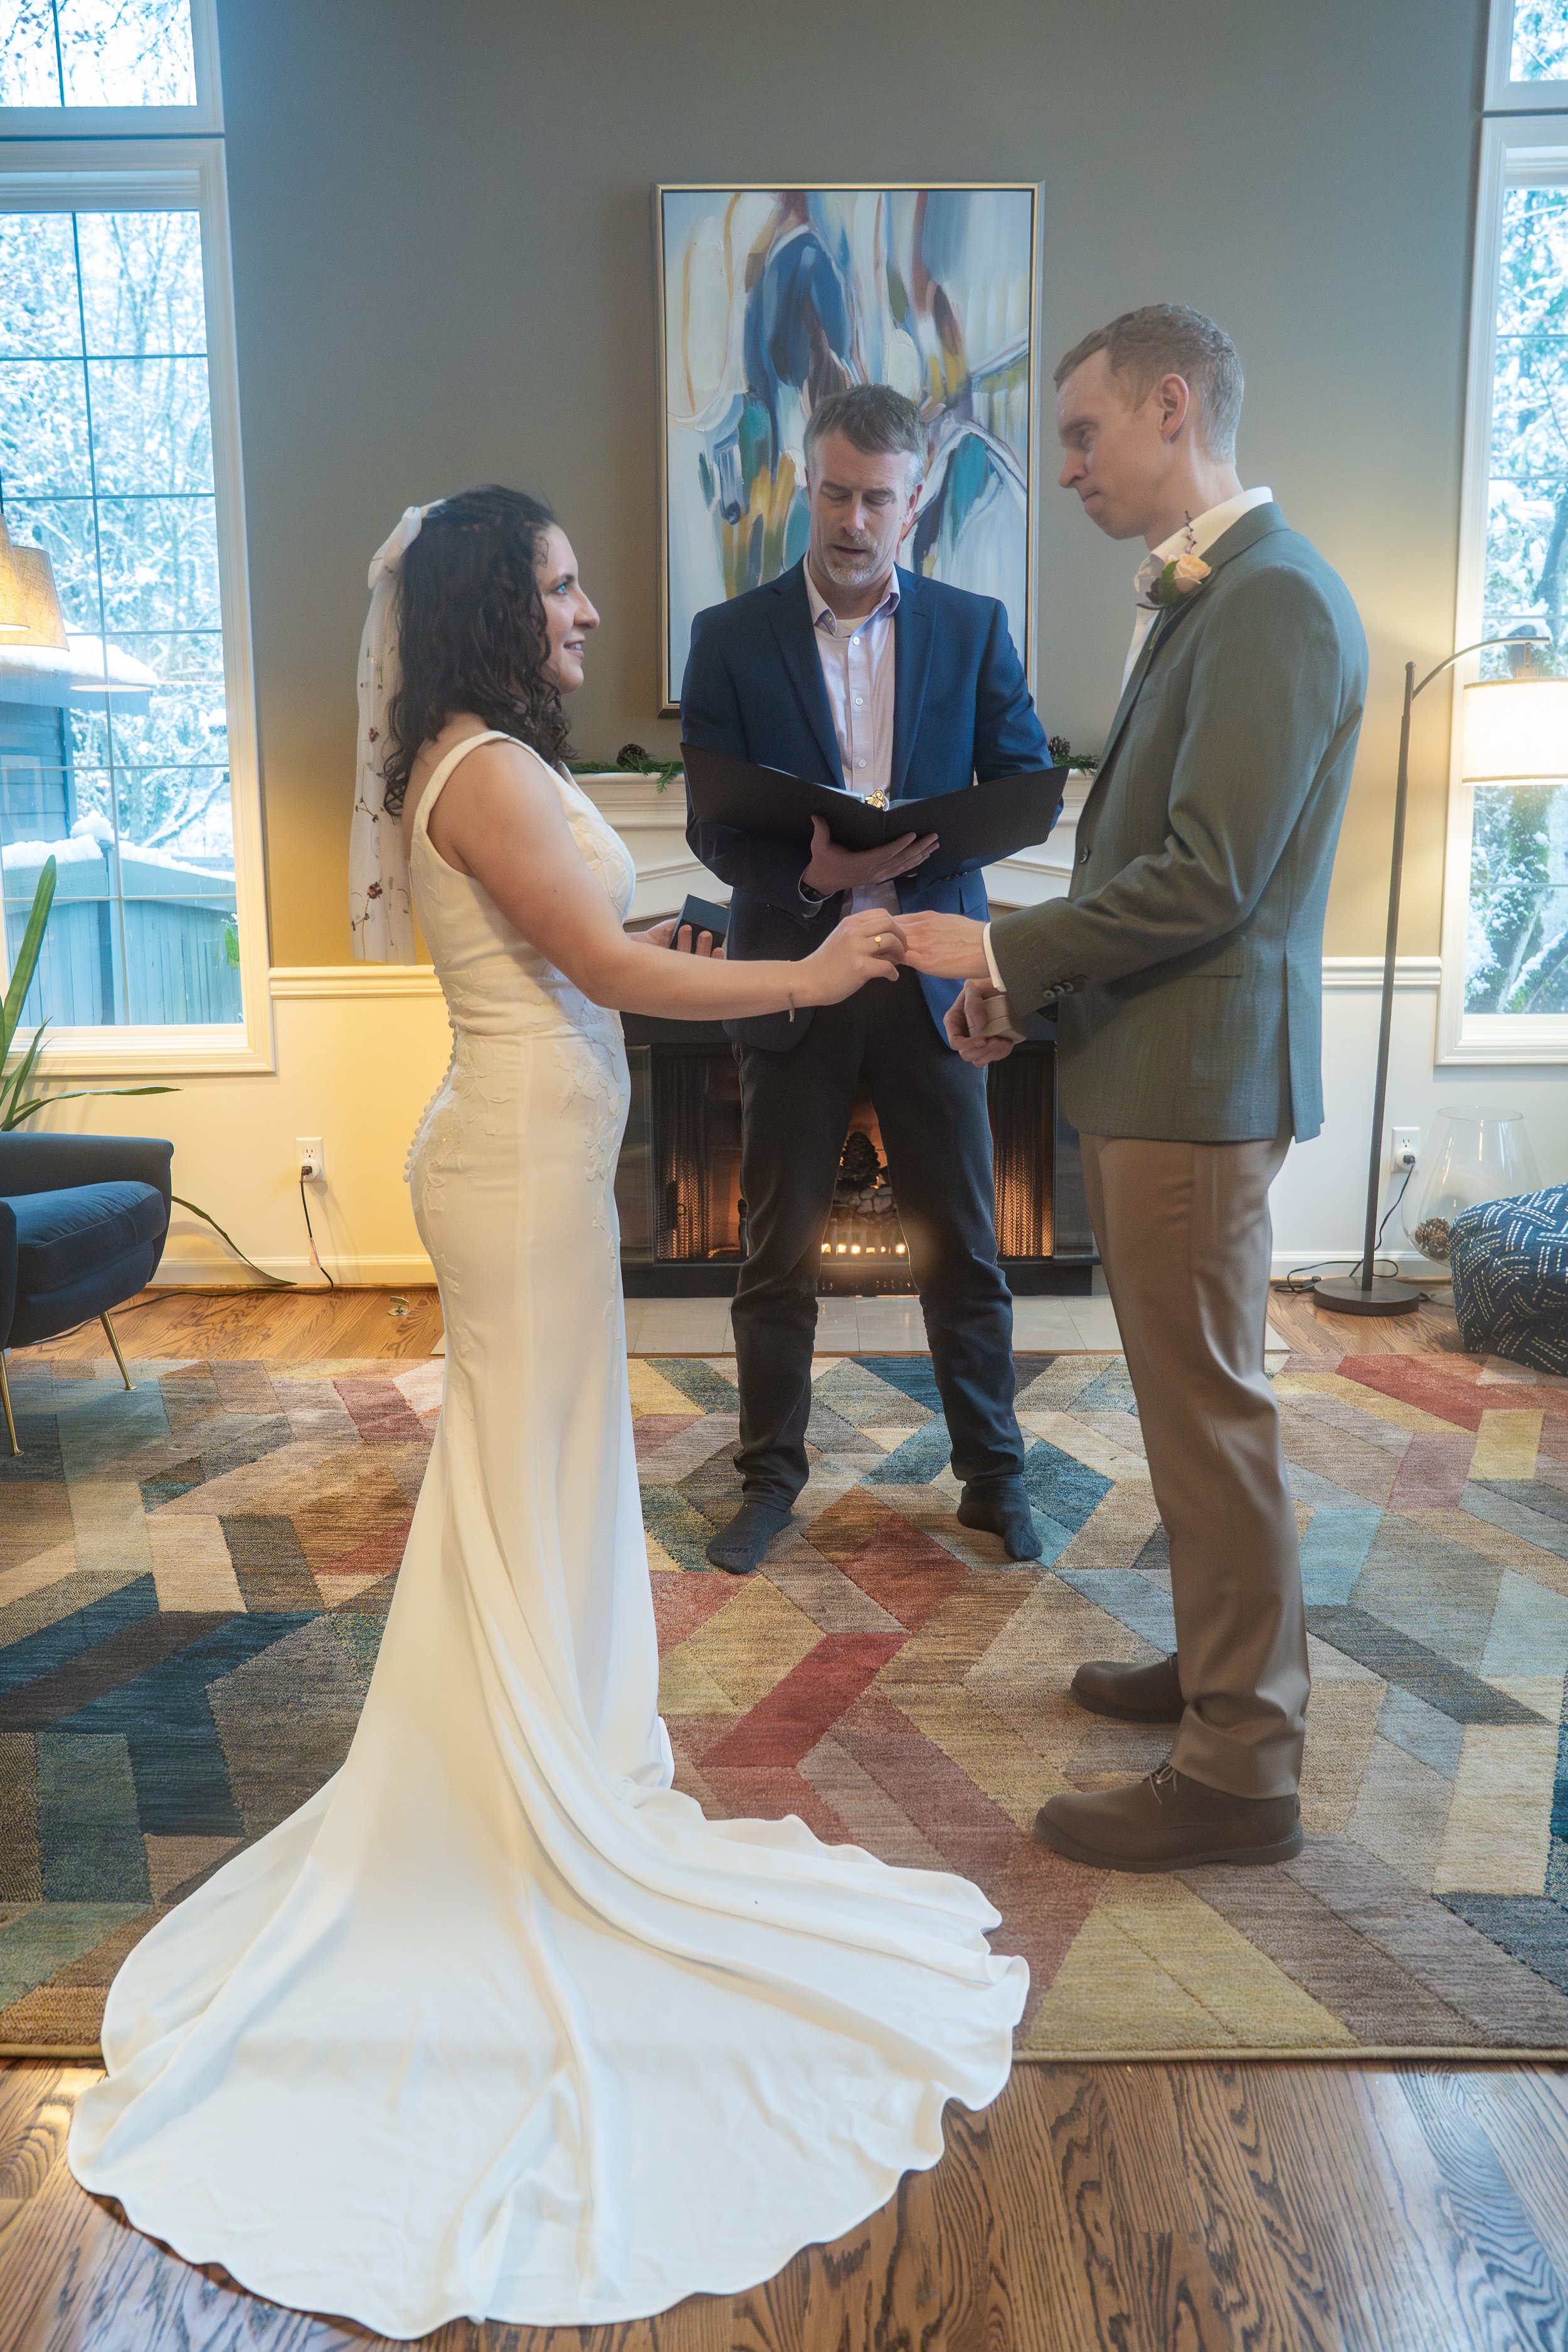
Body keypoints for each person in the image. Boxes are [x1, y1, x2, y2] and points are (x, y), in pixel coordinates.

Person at [67, 487, 1026, 2334]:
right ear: (493, 602)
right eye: (564, 585)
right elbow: (601, 974)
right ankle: (517, 1803)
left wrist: (683, 920)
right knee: (527, 1480)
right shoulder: (485, 764)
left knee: (542, 1486)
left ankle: (558, 1761)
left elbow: (586, 931)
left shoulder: (478, 756)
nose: (591, 612)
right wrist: (812, 966)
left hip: (528, 1154)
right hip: (511, 1163)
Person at [898, 307, 1368, 1874]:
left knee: (1211, 1411)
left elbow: (1204, 882)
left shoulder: (1275, 603)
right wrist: (1020, 1003)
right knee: (1186, 1402)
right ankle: (1214, 1666)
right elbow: (1154, 873)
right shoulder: (1207, 599)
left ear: (1174, 408)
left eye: (1086, 432)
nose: (1069, 466)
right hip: (1155, 1058)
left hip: (1199, 1077)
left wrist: (1001, 945)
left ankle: (1241, 1767)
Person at [682, 383, 1054, 1576]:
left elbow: (1023, 782)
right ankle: (767, 1485)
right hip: (791, 975)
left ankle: (993, 1479)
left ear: (914, 501)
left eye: (877, 499)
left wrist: (936, 841)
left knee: (966, 1245)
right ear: (806, 480)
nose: (852, 518)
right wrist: (816, 873)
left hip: (934, 981)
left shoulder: (974, 625)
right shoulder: (730, 636)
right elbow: (712, 828)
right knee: (774, 1250)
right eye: (834, 492)